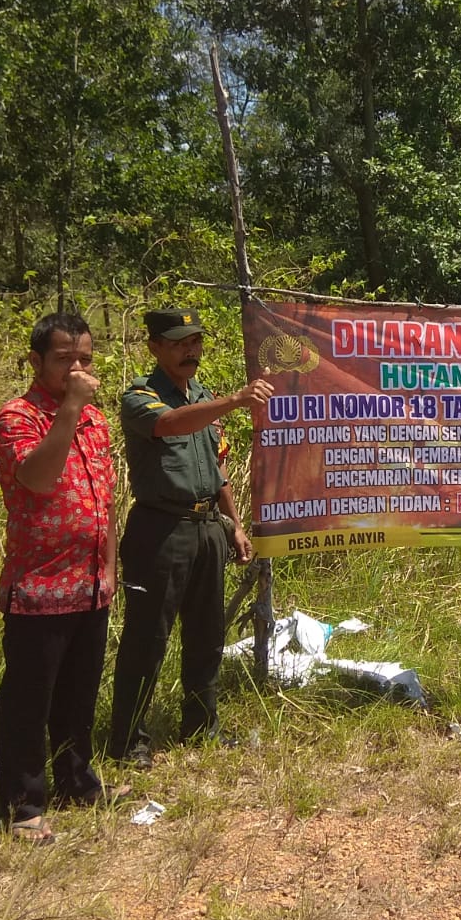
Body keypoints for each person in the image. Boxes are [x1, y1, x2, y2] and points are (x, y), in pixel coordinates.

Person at [105, 307, 274, 765]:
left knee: (206, 635)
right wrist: (238, 400)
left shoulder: (201, 394)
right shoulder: (141, 397)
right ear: (155, 347)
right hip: (160, 530)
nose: (190, 351)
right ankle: (128, 743)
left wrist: (235, 524)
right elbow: (171, 425)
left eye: (195, 342)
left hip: (206, 529)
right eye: (179, 343)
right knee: (148, 639)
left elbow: (218, 469)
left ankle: (201, 727)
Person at [0, 313, 119, 844]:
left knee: (79, 694)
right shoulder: (16, 418)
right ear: (36, 361)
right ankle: (24, 804)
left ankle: (77, 781)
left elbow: (105, 499)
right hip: (39, 589)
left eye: (85, 358)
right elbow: (39, 479)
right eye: (65, 359)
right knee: (29, 700)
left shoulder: (96, 420)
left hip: (90, 583)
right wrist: (68, 407)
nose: (78, 368)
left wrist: (109, 566)